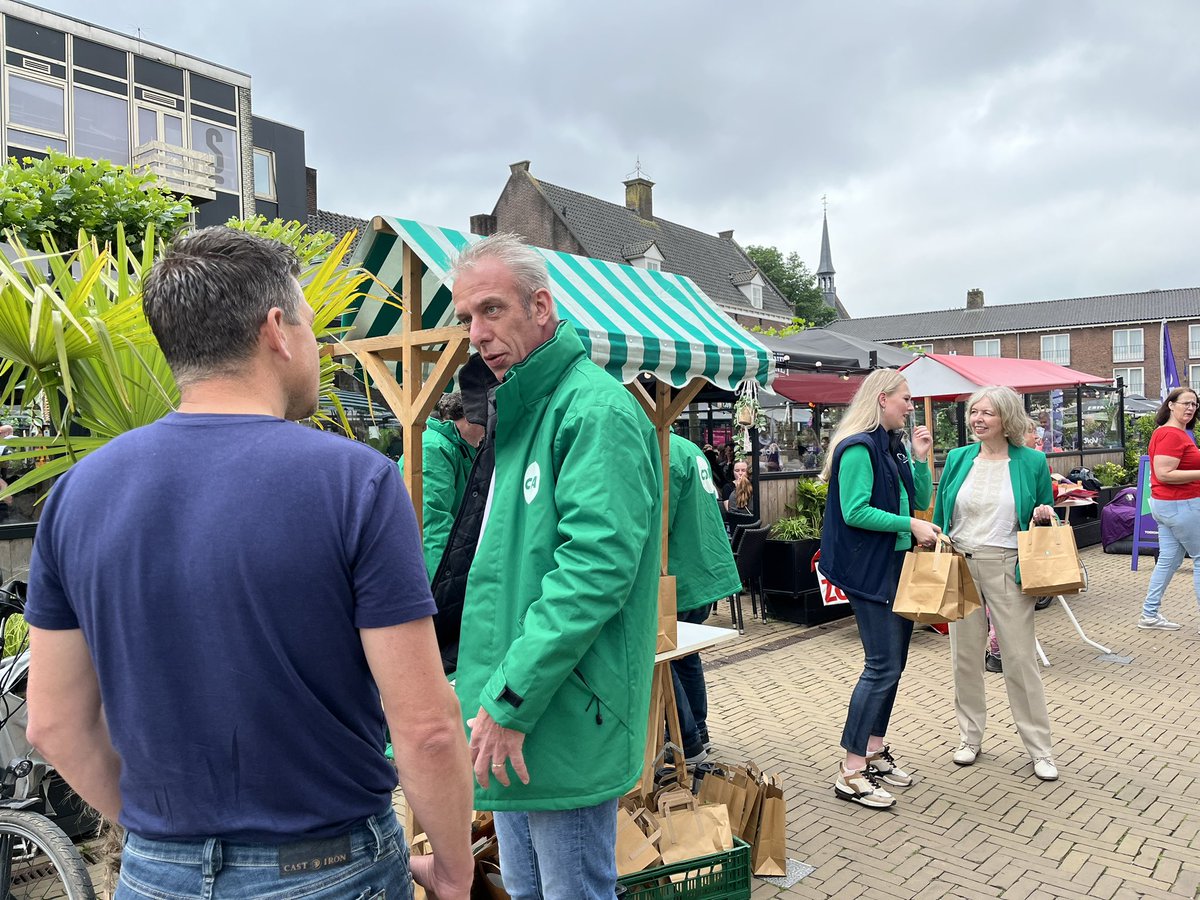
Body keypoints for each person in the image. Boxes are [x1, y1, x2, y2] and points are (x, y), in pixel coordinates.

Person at [23, 228, 474, 899]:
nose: (318, 350)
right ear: (276, 331)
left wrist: (161, 841)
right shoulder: (356, 483)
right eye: (312, 326)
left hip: (154, 876)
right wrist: (454, 872)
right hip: (328, 869)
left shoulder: (76, 495)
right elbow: (427, 729)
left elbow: (53, 724)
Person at [449, 233, 661, 900]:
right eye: (465, 319)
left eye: (490, 311)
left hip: (559, 709)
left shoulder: (592, 409)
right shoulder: (527, 409)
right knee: (529, 887)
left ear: (541, 306)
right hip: (523, 706)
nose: (476, 334)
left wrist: (510, 696)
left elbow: (593, 571)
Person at [819, 369, 937, 809]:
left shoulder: (893, 447)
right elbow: (855, 511)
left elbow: (920, 496)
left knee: (895, 664)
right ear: (882, 399)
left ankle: (872, 750)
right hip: (871, 570)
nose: (911, 406)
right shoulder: (858, 448)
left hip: (896, 565)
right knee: (882, 666)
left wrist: (922, 457)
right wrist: (909, 524)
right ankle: (850, 772)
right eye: (906, 398)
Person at [933, 385, 1059, 782]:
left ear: (1006, 418)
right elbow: (941, 510)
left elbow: (1045, 514)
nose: (978, 419)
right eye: (974, 412)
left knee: (1020, 659)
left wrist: (1043, 514)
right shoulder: (956, 458)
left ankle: (1040, 748)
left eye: (987, 412)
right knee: (965, 657)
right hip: (960, 562)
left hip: (1007, 565)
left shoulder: (1032, 461)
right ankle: (970, 736)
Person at [667, 432, 742, 765]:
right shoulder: (686, 447)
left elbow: (657, 522)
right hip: (704, 568)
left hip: (681, 574)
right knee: (685, 657)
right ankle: (699, 730)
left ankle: (688, 739)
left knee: (663, 660)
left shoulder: (662, 451)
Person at [400, 391, 485, 580]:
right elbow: (431, 523)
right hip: (428, 574)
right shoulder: (434, 448)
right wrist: (447, 584)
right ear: (471, 418)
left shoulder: (456, 446)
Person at [1137, 387, 1200, 631]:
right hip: (1181, 505)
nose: (1191, 408)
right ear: (1171, 405)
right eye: (1185, 403)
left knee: (1169, 560)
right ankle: (1149, 614)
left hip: (1168, 506)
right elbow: (1164, 473)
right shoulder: (1172, 434)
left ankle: (1149, 615)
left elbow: (1181, 461)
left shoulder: (1176, 434)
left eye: (1194, 404)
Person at [986, 416, 1046, 673]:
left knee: (1007, 607)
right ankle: (997, 650)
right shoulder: (968, 459)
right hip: (983, 550)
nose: (1037, 439)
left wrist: (1042, 512)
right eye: (1033, 433)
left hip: (1016, 550)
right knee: (996, 609)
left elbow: (1044, 503)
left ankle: (999, 651)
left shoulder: (1034, 461)